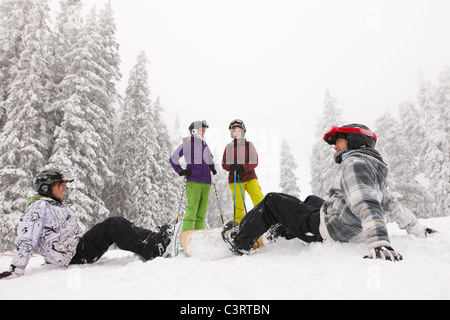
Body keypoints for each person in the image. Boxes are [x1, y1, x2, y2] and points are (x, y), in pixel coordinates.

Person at [222, 124, 437, 261]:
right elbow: (391, 204)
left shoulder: (355, 164)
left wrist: (379, 242)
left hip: (332, 228)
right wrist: (418, 229)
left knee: (272, 201)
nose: (335, 147)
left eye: (339, 141)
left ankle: (241, 242)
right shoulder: (371, 167)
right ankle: (282, 230)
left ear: (354, 142)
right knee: (311, 200)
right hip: (345, 223)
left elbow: (367, 202)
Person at [0, 168, 174, 280]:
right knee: (113, 224)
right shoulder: (39, 208)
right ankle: (154, 246)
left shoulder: (53, 206)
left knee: (115, 222)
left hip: (75, 250)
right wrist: (17, 268)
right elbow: (27, 238)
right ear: (47, 187)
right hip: (73, 255)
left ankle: (155, 240)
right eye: (60, 185)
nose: (64, 189)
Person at [170, 120, 217, 233]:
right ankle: (186, 237)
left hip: (206, 182)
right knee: (192, 211)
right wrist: (181, 171)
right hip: (194, 181)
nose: (204, 132)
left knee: (201, 214)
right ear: (194, 131)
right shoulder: (187, 144)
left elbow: (209, 159)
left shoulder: (205, 145)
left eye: (204, 130)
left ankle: (198, 238)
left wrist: (212, 167)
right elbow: (173, 158)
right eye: (202, 130)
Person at [222, 119, 264, 223]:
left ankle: (262, 223)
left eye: (238, 131)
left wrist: (243, 168)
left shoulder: (248, 145)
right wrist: (231, 167)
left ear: (243, 132)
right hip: (235, 179)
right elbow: (224, 163)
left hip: (250, 177)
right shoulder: (229, 147)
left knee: (258, 199)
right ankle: (239, 228)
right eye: (234, 131)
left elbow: (255, 161)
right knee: (239, 206)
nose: (236, 133)